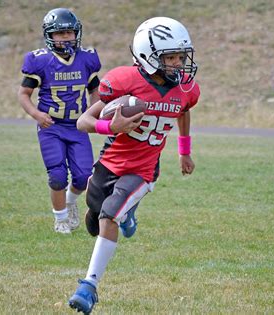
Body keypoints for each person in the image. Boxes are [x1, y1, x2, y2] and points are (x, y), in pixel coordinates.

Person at [68, 16, 200, 313]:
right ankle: (128, 216)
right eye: (170, 58)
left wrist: (184, 151)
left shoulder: (186, 88)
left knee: (109, 216)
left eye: (181, 56)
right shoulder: (125, 82)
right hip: (110, 162)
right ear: (147, 56)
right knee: (95, 219)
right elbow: (83, 121)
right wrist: (110, 127)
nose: (179, 64)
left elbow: (183, 110)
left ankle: (89, 286)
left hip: (143, 170)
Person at [17, 8, 102, 234]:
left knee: (84, 177)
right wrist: (36, 114)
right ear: (49, 35)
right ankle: (61, 218)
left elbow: (96, 92)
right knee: (56, 176)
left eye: (70, 32)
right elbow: (23, 94)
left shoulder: (86, 58)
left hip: (77, 126)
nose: (66, 37)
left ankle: (71, 201)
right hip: (51, 127)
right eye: (60, 33)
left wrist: (93, 113)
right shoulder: (40, 61)